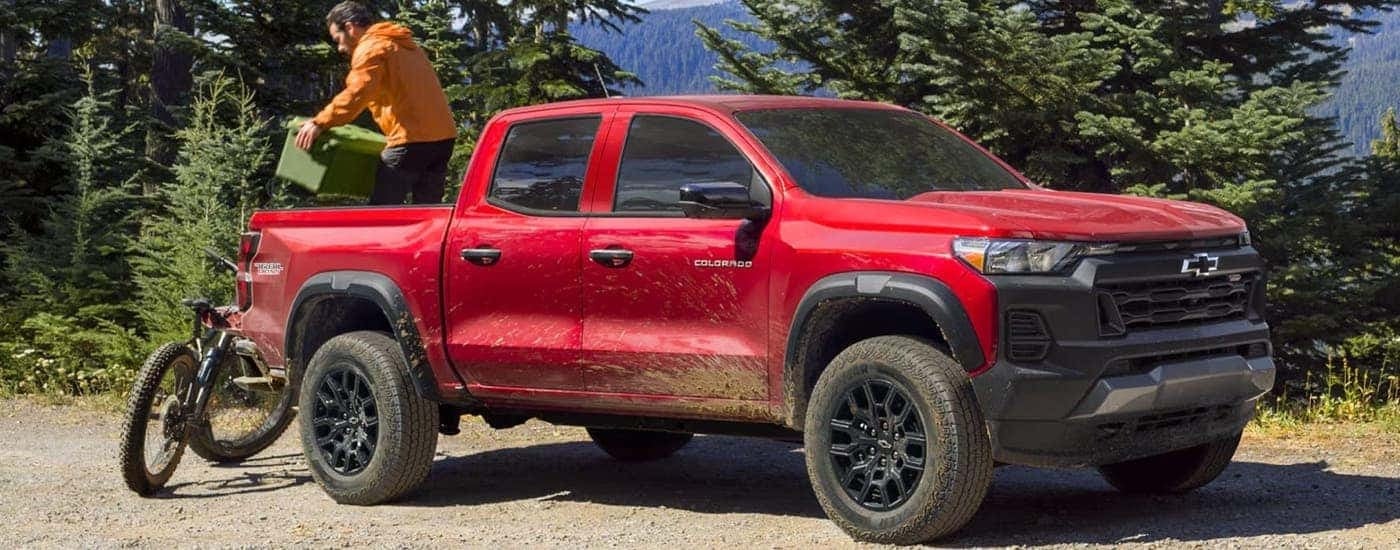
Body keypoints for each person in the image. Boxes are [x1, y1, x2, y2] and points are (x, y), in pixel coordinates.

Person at [295, 1, 457, 205]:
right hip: (443, 139)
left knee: (381, 212)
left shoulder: (371, 48)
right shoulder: (404, 44)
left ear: (350, 27)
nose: (340, 48)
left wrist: (319, 122)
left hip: (411, 139)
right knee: (427, 212)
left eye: (338, 39)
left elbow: (357, 94)